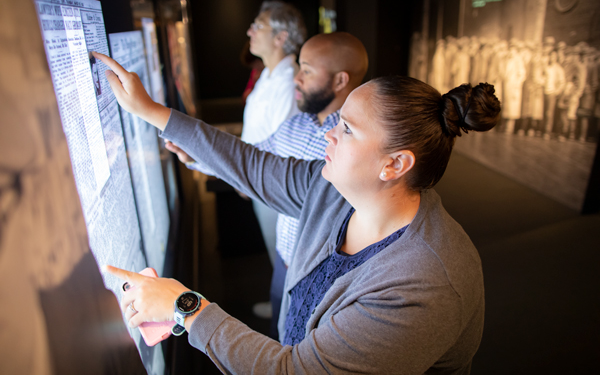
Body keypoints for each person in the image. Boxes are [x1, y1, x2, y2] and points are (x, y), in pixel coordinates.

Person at [95, 50, 501, 374]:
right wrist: (149, 110)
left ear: (394, 165)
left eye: (347, 129)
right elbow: (252, 166)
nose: (329, 133)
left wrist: (183, 305)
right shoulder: (332, 190)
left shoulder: (424, 283)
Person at [165, 32, 369, 339]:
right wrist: (196, 156)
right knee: (279, 333)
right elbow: (250, 161)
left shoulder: (356, 143)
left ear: (341, 80)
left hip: (321, 277)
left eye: (308, 71)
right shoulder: (298, 123)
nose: (297, 79)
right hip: (284, 262)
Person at [241, 0, 306, 275]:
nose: (249, 31)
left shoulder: (288, 81)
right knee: (275, 252)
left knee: (285, 255)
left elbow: (283, 147)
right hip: (258, 178)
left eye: (258, 26)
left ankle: (286, 311)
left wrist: (246, 175)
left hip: (271, 185)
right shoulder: (269, 74)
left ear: (281, 37)